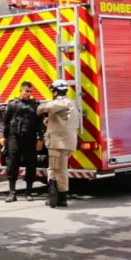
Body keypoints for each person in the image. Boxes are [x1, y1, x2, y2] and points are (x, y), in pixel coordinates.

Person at [37, 79, 80, 208]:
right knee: (53, 168)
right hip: (67, 142)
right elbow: (62, 121)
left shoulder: (60, 102)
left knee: (59, 170)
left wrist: (38, 107)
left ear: (55, 91)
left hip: (59, 143)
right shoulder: (72, 102)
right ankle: (54, 195)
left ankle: (61, 197)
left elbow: (45, 107)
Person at [2, 81, 41, 202]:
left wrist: (40, 139)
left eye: (30, 92)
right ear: (21, 90)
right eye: (26, 91)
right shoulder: (13, 104)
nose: (28, 94)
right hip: (14, 138)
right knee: (12, 164)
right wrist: (3, 136)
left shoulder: (35, 105)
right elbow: (5, 122)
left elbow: (39, 124)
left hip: (30, 138)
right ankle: (12, 193)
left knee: (31, 164)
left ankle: (28, 192)